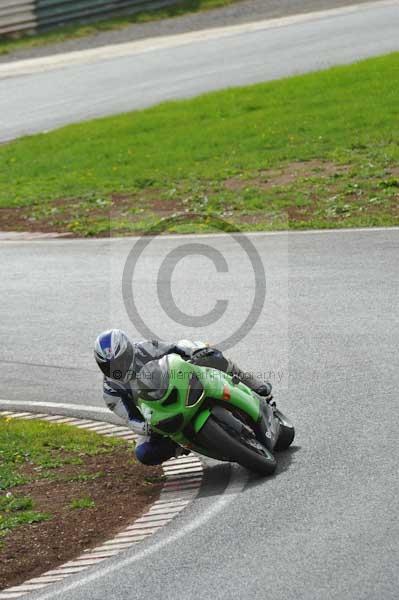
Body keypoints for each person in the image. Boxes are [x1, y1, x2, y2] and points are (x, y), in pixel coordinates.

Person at [94, 329, 272, 465]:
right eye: (109, 367)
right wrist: (148, 428)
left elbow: (176, 347)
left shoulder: (145, 348)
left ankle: (251, 383)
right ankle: (182, 446)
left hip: (177, 387)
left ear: (129, 350)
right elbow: (131, 419)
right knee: (143, 453)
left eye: (121, 361)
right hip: (157, 417)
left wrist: (197, 351)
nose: (118, 369)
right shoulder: (111, 391)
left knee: (214, 356)